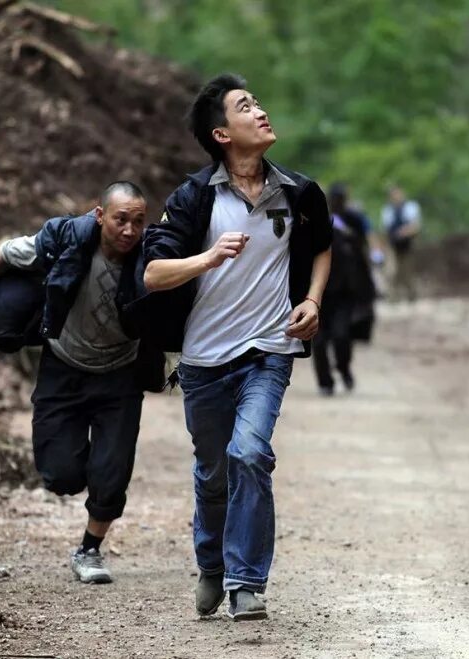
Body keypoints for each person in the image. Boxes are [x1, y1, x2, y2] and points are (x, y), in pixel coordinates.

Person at [137, 73, 332, 621]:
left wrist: (313, 302)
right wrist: (207, 258)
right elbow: (152, 273)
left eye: (259, 102)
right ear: (223, 134)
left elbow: (321, 249)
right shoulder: (194, 197)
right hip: (202, 361)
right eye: (246, 106)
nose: (261, 111)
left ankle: (247, 581)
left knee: (249, 454)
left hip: (269, 351)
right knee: (212, 471)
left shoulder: (297, 192)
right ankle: (211, 566)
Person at [0, 182, 156, 585]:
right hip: (63, 367)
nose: (129, 231)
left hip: (121, 373)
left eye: (139, 221)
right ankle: (92, 466)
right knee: (60, 474)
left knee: (111, 471)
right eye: (121, 219)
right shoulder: (66, 239)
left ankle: (89, 549)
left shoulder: (151, 256)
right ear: (100, 215)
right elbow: (2, 254)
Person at [313, 183, 375, 396]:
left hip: (344, 292)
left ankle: (344, 368)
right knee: (319, 341)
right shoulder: (317, 219)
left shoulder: (354, 221)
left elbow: (363, 250)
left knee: (341, 336)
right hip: (319, 293)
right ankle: (325, 382)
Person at [381, 185, 422, 301]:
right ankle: (392, 297)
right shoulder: (387, 210)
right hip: (392, 244)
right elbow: (386, 229)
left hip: (408, 243)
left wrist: (404, 232)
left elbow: (416, 226)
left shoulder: (411, 208)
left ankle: (411, 295)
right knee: (391, 271)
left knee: (408, 271)